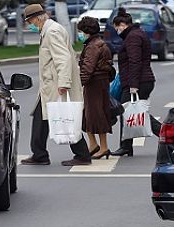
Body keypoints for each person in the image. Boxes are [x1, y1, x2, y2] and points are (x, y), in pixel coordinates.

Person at [20, 4, 91, 166]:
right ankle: (39, 154)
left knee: (65, 117)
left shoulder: (51, 32)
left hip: (56, 85)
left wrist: (64, 83)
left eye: (30, 21)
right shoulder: (49, 30)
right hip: (50, 85)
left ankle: (82, 154)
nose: (29, 25)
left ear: (38, 18)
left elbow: (63, 58)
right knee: (41, 117)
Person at [111, 8, 161, 157]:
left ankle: (169, 136)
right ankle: (126, 145)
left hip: (138, 82)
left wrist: (133, 85)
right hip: (140, 80)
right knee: (129, 112)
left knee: (135, 113)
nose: (116, 31)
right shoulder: (136, 34)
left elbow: (135, 61)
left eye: (116, 27)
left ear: (122, 24)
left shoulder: (133, 37)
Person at [77, 16, 113, 160]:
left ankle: (103, 147)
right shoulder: (98, 43)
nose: (80, 34)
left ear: (86, 31)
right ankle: (93, 144)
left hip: (94, 84)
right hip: (100, 83)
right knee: (89, 116)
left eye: (81, 31)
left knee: (96, 115)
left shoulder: (93, 46)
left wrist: (80, 83)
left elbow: (88, 68)